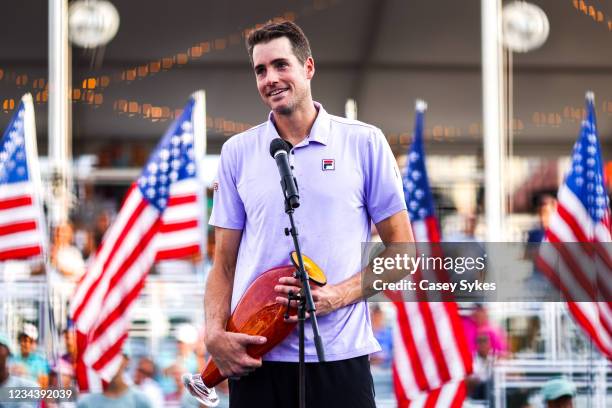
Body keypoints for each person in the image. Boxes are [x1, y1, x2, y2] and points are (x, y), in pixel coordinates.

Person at [204, 20, 412, 408]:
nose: (270, 78)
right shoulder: (237, 152)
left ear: (308, 67)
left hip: (340, 358)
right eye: (261, 70)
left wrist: (337, 295)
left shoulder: (364, 142)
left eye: (281, 65)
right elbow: (224, 264)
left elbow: (404, 251)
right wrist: (214, 333)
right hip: (256, 360)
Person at [77, 350, 151, 408]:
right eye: (105, 355)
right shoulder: (86, 403)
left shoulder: (141, 401)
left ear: (126, 360)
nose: (110, 362)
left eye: (115, 354)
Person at [0, 332, 39, 408]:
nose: (26, 344)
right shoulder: (15, 359)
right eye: (24, 341)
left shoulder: (28, 387)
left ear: (8, 352)